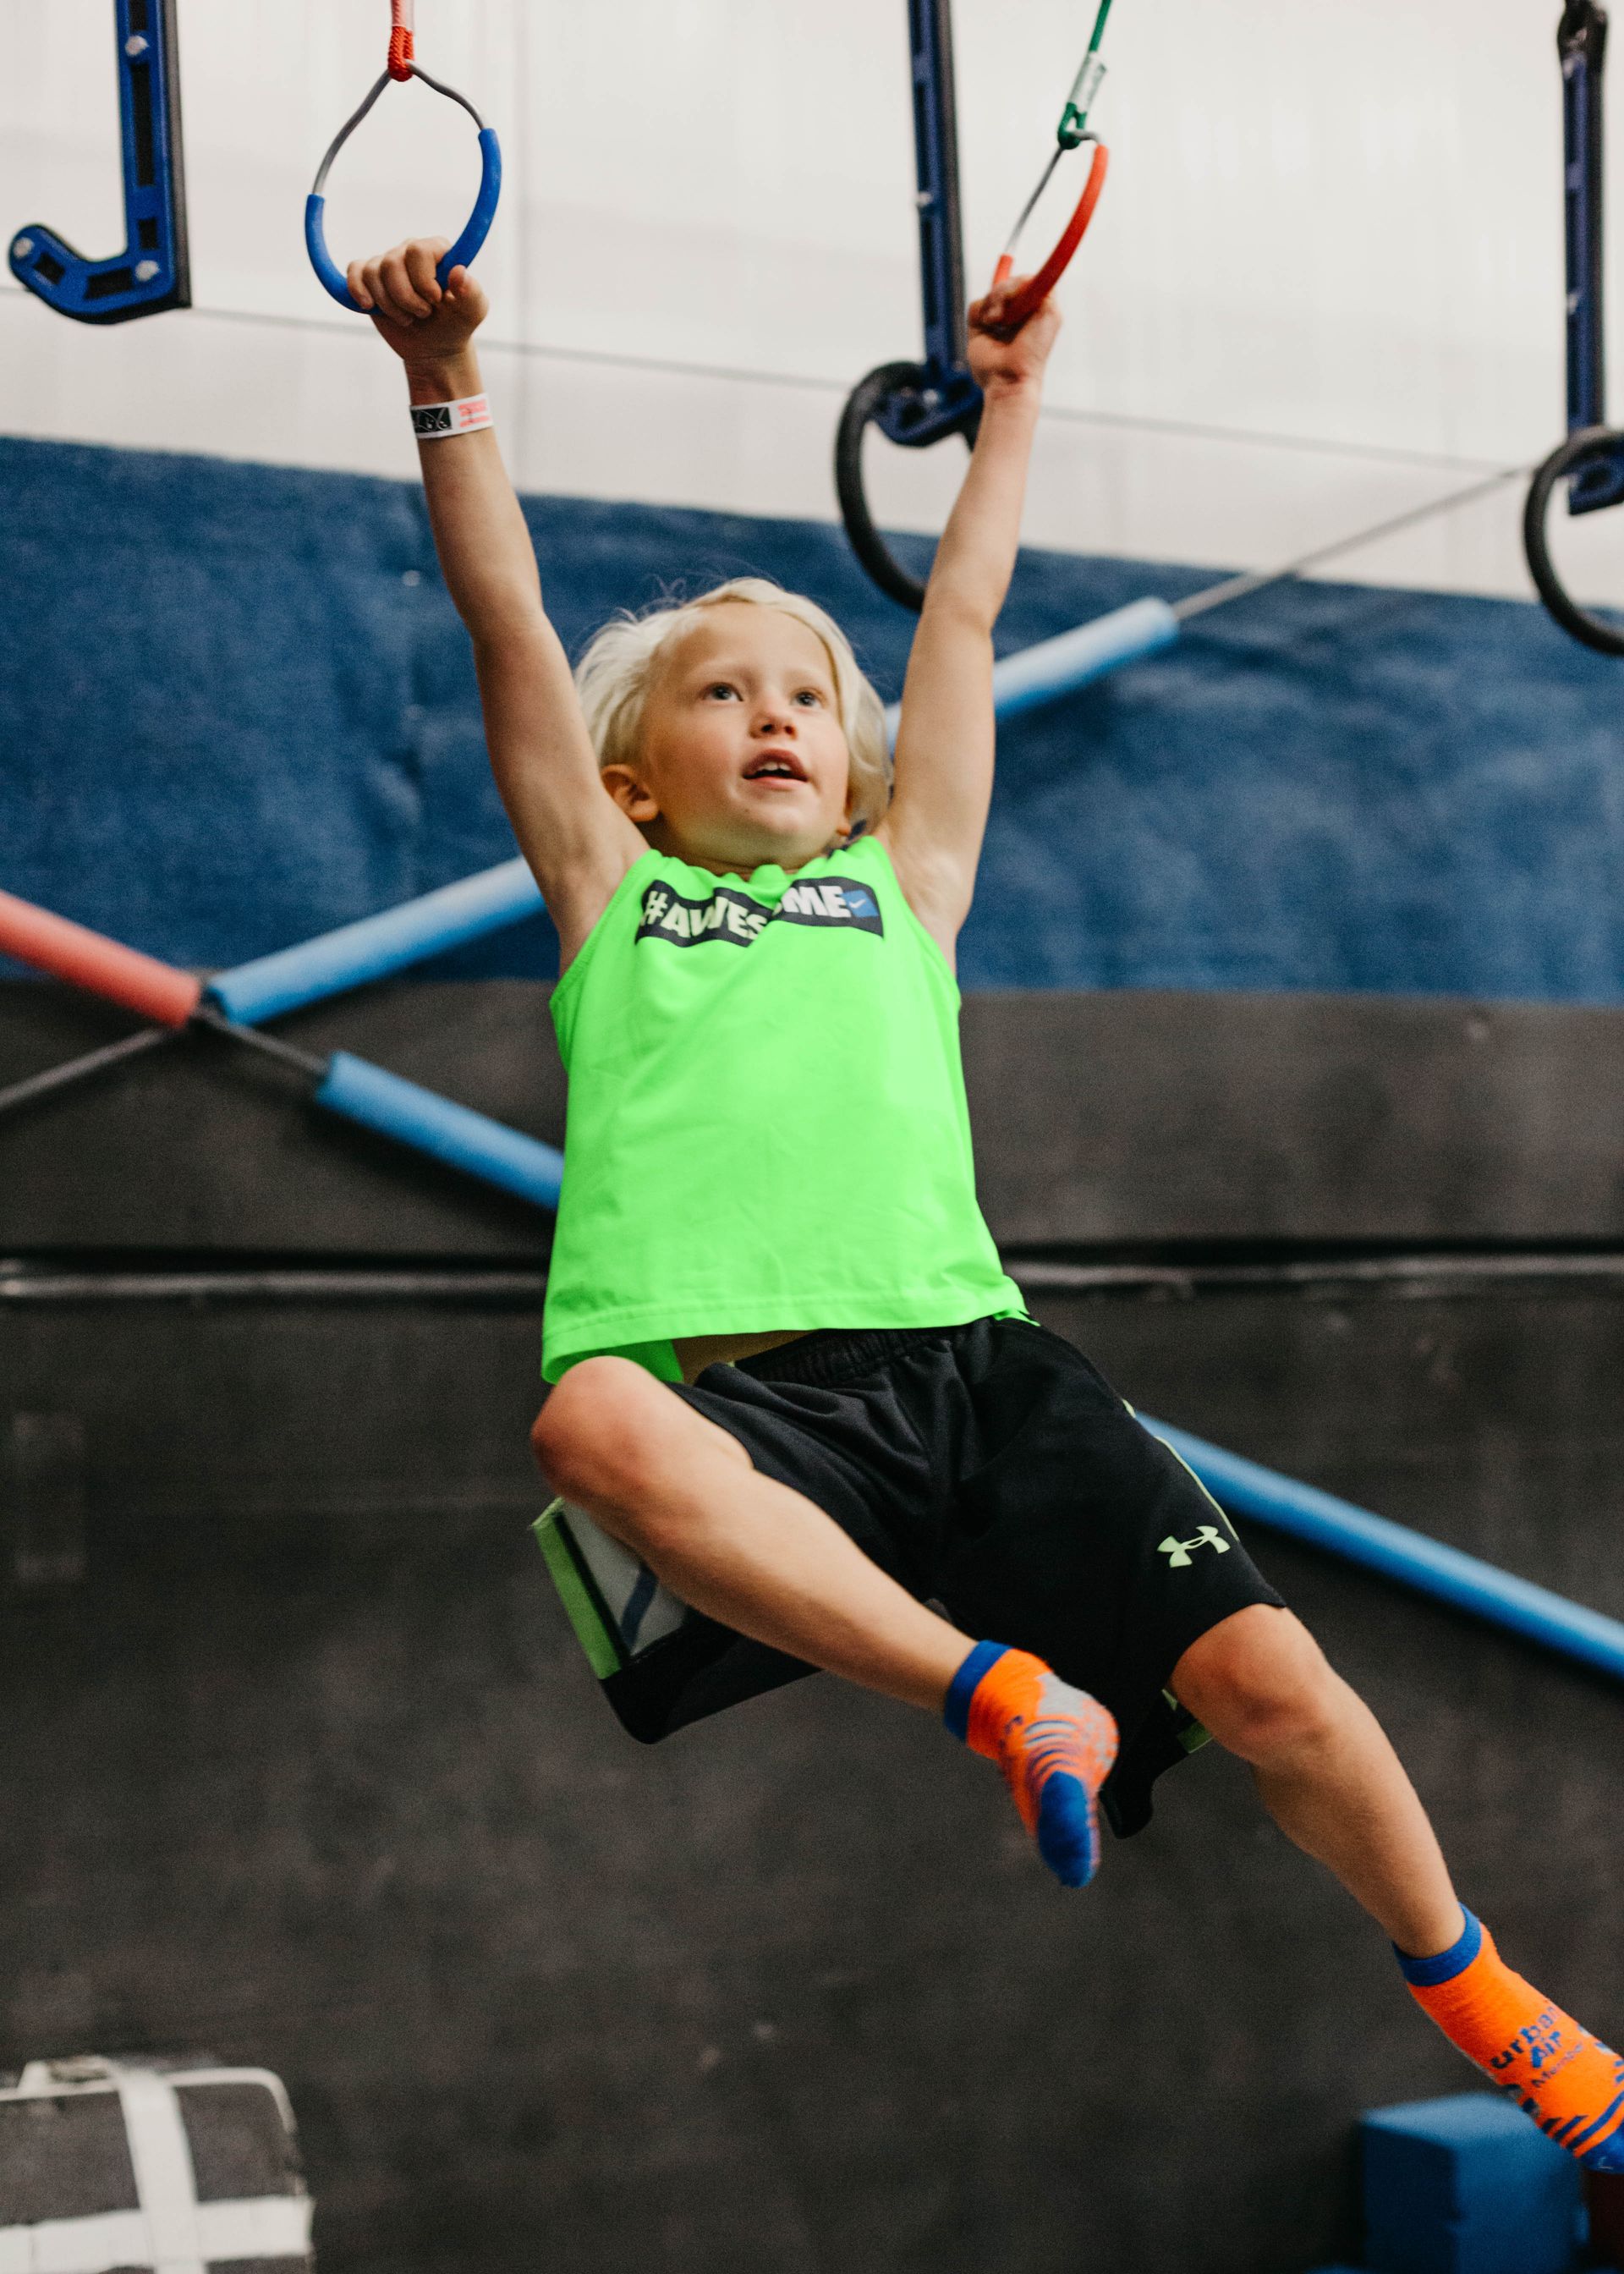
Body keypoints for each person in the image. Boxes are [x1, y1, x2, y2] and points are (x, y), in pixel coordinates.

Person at [350, 232, 1623, 2173]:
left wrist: (1011, 405)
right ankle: (1006, 1697)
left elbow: (961, 619)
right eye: (723, 695)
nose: (779, 717)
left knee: (1280, 1689)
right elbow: (507, 621)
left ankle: (1516, 2019)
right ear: (632, 768)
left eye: (805, 696)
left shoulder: (900, 883)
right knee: (589, 1413)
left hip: (984, 1371)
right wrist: (444, 378)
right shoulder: (616, 901)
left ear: (851, 763)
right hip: (783, 1418)